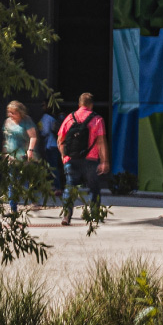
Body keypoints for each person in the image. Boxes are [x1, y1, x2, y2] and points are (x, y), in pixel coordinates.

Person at [57, 91, 109, 226]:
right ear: (91, 105)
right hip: (91, 161)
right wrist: (104, 161)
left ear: (79, 104)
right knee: (94, 188)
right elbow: (101, 141)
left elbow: (60, 140)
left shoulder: (69, 118)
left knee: (70, 188)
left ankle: (67, 216)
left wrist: (64, 156)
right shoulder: (97, 119)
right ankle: (94, 215)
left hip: (71, 160)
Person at [2, 100, 37, 214]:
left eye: (13, 113)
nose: (10, 115)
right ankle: (13, 208)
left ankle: (31, 198)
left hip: (23, 156)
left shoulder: (26, 121)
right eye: (9, 112)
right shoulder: (8, 122)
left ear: (20, 113)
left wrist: (30, 150)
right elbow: (6, 138)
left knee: (24, 180)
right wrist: (4, 152)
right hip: (11, 156)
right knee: (11, 182)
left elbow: (33, 136)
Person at [38, 103, 63, 197]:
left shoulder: (46, 117)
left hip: (49, 145)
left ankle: (56, 187)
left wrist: (39, 131)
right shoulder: (54, 117)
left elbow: (44, 131)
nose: (42, 107)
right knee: (55, 166)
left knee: (52, 167)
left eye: (43, 105)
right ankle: (56, 185)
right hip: (55, 144)